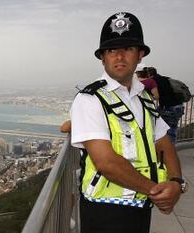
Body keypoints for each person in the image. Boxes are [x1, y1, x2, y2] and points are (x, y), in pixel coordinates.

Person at [70, 12, 187, 233]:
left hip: (141, 205)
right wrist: (158, 192)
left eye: (128, 48)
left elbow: (164, 143)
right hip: (105, 211)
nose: (120, 56)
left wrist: (176, 182)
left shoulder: (143, 97)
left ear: (140, 55)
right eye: (112, 50)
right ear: (102, 57)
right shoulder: (90, 99)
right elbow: (106, 163)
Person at [146, 67, 184, 143]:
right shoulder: (164, 79)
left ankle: (169, 149)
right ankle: (168, 147)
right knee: (170, 128)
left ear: (149, 74)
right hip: (177, 106)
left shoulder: (154, 82)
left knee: (169, 130)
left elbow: (155, 96)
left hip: (170, 107)